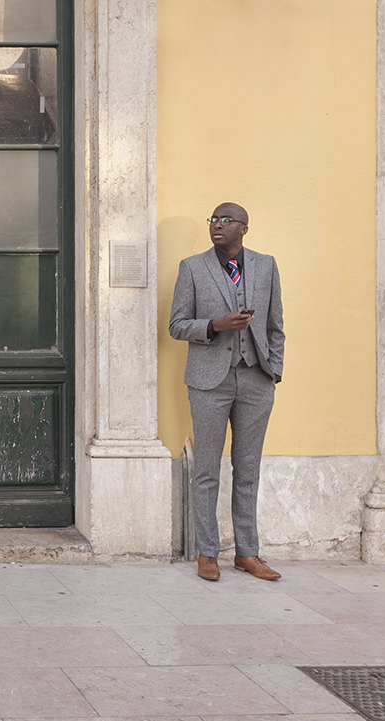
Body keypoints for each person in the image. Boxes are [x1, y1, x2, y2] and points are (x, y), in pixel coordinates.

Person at [169, 202, 285, 582]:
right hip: (208, 382)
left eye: (226, 220)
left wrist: (274, 372)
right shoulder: (192, 268)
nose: (217, 226)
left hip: (256, 379)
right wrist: (215, 325)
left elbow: (275, 326)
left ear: (244, 228)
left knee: (248, 468)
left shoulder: (266, 266)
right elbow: (177, 325)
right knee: (207, 470)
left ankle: (248, 553)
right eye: (213, 220)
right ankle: (208, 552)